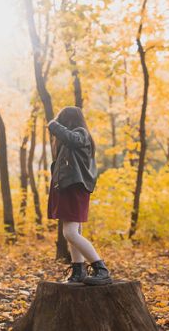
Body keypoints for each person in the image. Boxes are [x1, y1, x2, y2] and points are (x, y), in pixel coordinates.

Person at [47, 106, 112, 285]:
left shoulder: (81, 133)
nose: (59, 126)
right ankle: (78, 270)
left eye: (61, 121)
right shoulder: (71, 140)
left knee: (69, 233)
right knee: (74, 231)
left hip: (74, 188)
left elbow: (72, 138)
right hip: (68, 188)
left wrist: (53, 124)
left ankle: (101, 268)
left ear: (68, 120)